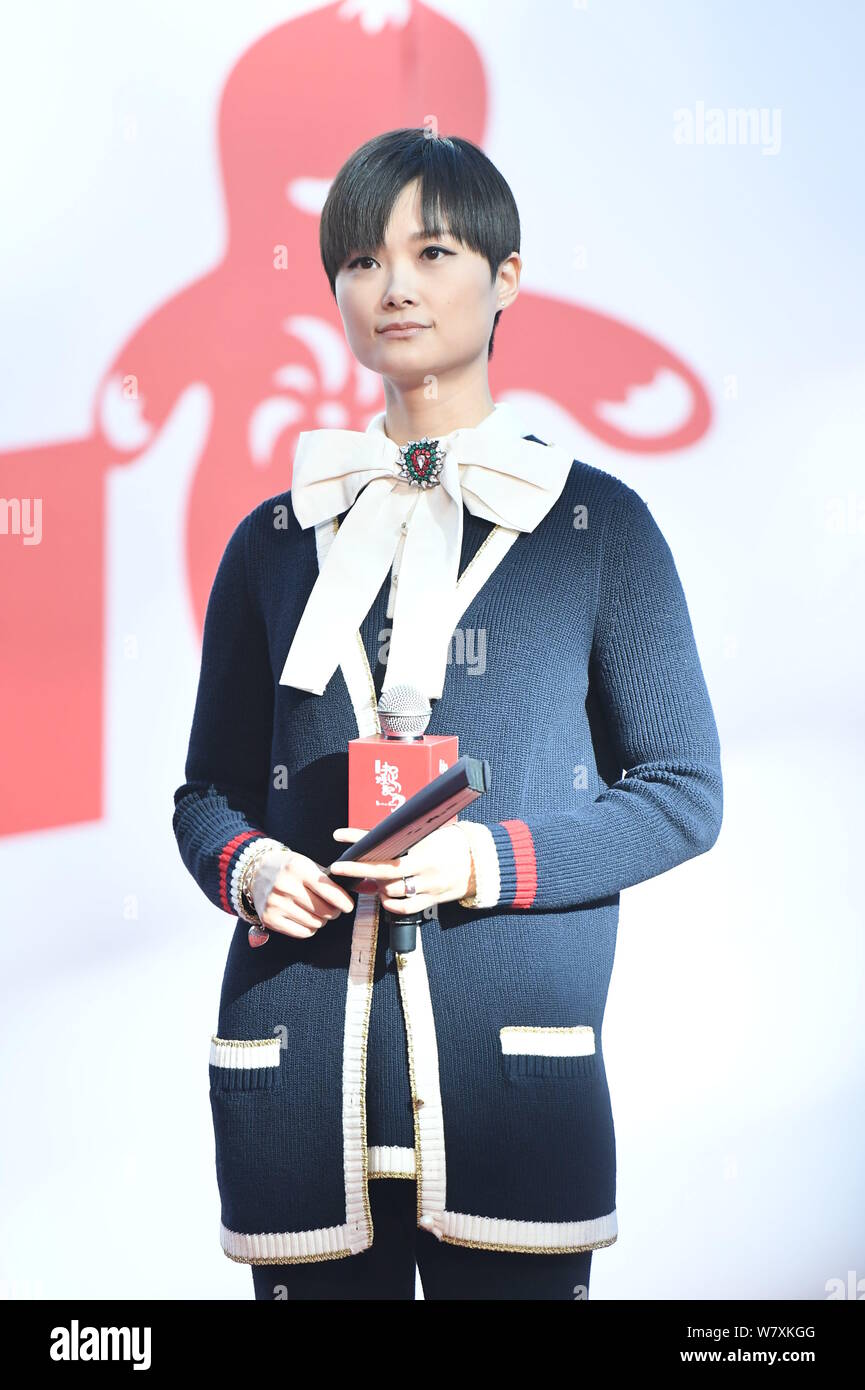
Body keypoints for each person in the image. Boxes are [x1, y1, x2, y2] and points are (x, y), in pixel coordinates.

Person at [173, 128, 723, 1301]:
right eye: (362, 261)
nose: (396, 286)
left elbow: (682, 793)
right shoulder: (272, 542)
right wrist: (251, 865)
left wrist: (491, 860)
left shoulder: (595, 528)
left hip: (511, 1093)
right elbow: (205, 797)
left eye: (430, 251)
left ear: (506, 278)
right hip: (299, 1091)